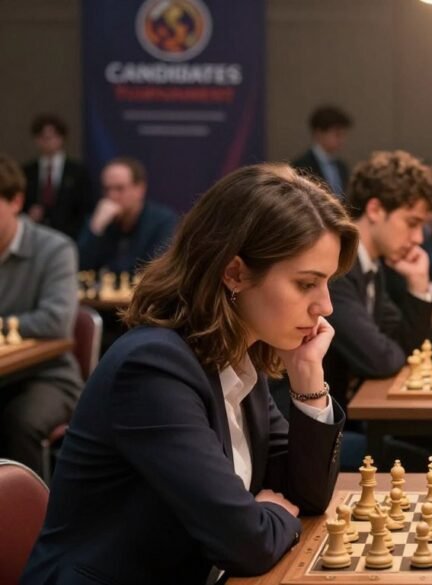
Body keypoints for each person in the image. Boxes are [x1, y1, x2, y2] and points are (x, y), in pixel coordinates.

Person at [22, 164, 358, 583]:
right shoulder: (152, 369)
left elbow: (307, 495)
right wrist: (270, 512)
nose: (325, 306)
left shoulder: (236, 357)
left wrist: (308, 378)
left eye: (326, 283)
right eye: (306, 284)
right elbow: (245, 544)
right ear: (234, 273)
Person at [322, 150, 432, 404]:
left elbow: (407, 348)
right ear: (376, 209)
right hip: (316, 431)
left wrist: (418, 285)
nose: (418, 239)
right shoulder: (335, 268)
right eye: (412, 223)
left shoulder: (371, 266)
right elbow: (380, 360)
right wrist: (390, 349)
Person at [0, 155, 82, 476]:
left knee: (19, 421)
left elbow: (56, 322)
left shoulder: (55, 249)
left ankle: (32, 522)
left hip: (49, 376)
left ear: (16, 201)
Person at [77, 157, 177, 273]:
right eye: (106, 189)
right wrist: (95, 230)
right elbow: (80, 266)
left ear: (140, 189)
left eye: (119, 189)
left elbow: (155, 271)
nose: (111, 196)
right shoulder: (98, 220)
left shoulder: (163, 221)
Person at [21, 113, 94, 239]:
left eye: (52, 137)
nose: (47, 142)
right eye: (42, 137)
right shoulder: (27, 171)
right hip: (34, 234)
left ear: (61, 138)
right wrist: (28, 215)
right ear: (36, 140)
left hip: (69, 235)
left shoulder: (77, 171)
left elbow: (86, 208)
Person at [291, 105, 353, 198]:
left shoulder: (342, 167)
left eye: (343, 135)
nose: (341, 140)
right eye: (337, 134)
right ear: (319, 133)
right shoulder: (301, 165)